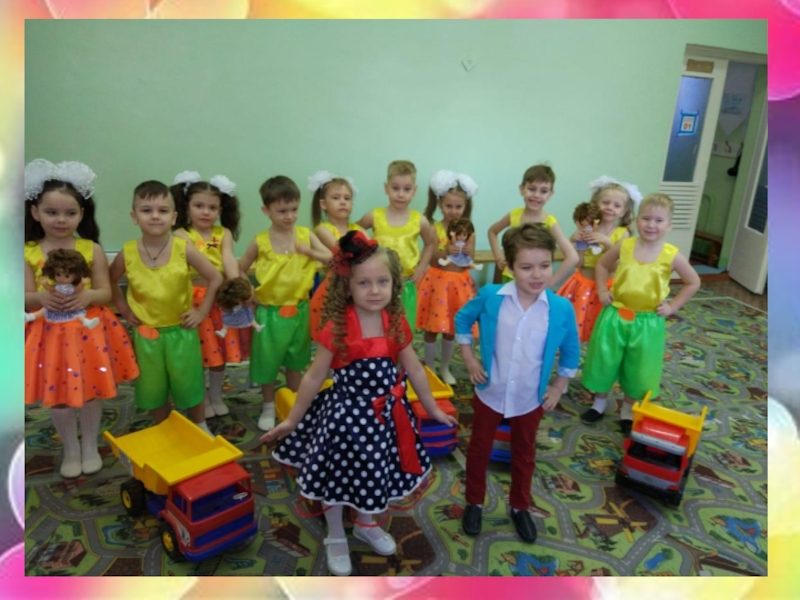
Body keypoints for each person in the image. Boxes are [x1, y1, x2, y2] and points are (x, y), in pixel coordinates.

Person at [263, 231, 457, 576]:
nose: (374, 290)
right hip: (345, 421)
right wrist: (292, 420)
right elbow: (312, 377)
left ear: (394, 284)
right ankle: (336, 533)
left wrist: (433, 408)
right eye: (364, 283)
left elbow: (414, 369)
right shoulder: (338, 327)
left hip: (384, 420)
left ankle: (366, 523)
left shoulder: (395, 323)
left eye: (382, 281)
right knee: (337, 477)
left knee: (373, 471)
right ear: (347, 286)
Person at [456, 223, 579, 543]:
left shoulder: (560, 308)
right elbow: (462, 319)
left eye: (544, 265)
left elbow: (571, 351)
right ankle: (474, 502)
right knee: (479, 450)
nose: (537, 275)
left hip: (529, 398)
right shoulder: (491, 297)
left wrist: (558, 387)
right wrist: (469, 359)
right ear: (509, 267)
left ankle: (520, 506)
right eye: (526, 267)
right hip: (490, 392)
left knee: (524, 455)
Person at [24, 159, 139, 478]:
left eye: (70, 213)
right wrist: (39, 298)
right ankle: (71, 450)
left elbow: (104, 291)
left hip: (88, 334)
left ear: (81, 214)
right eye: (52, 212)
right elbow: (24, 296)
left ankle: (89, 445)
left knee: (90, 389)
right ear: (35, 212)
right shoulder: (28, 251)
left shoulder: (92, 249)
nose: (61, 219)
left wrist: (88, 296)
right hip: (49, 336)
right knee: (58, 394)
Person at [580, 193, 701, 433]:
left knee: (639, 367)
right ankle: (599, 404)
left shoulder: (671, 254)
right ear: (637, 220)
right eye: (646, 218)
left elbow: (693, 282)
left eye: (658, 220)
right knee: (605, 359)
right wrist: (602, 289)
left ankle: (628, 409)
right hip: (615, 316)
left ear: (669, 225)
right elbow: (602, 264)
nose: (651, 225)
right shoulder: (625, 246)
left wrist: (672, 306)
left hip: (647, 322)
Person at [110, 180, 222, 436]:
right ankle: (162, 427)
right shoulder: (127, 252)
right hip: (147, 334)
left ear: (173, 217)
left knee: (189, 380)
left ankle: (200, 423)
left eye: (162, 210)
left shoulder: (183, 248)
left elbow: (215, 277)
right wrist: (124, 309)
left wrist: (201, 312)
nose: (155, 216)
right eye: (146, 210)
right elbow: (111, 280)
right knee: (153, 385)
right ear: (134, 217)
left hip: (181, 331)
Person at [239, 175, 332, 431]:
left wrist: (311, 252)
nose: (289, 216)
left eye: (294, 209)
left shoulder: (305, 235)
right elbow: (240, 268)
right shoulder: (260, 241)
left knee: (296, 361)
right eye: (282, 211)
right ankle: (269, 405)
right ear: (266, 210)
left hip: (299, 312)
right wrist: (248, 290)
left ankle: (296, 401)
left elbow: (330, 257)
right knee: (267, 362)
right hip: (269, 314)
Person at [171, 171, 244, 418]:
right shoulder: (181, 235)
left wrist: (236, 287)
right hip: (194, 299)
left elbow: (228, 260)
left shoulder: (223, 234)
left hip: (220, 299)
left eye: (212, 208)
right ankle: (200, 396)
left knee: (218, 350)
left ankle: (215, 395)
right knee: (200, 351)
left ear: (220, 210)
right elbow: (196, 264)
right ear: (186, 206)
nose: (206, 212)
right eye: (199, 206)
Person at [558, 176, 638, 345]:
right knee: (575, 326)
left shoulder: (622, 234)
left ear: (624, 211)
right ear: (596, 204)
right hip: (582, 284)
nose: (610, 208)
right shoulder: (586, 228)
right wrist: (575, 242)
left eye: (617, 205)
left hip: (607, 287)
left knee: (602, 329)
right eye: (606, 202)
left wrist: (608, 244)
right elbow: (578, 263)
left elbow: (617, 266)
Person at [416, 170, 479, 385]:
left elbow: (471, 258)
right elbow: (433, 259)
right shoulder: (434, 228)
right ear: (440, 204)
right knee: (432, 328)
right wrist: (446, 252)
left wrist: (467, 252)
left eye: (458, 207)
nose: (453, 211)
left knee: (452, 329)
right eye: (448, 206)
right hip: (438, 284)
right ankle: (430, 367)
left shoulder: (469, 231)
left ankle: (444, 367)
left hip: (459, 285)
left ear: (465, 206)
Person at [357, 160, 436, 326]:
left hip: (406, 284)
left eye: (407, 189)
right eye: (395, 188)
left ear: (414, 191)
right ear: (386, 188)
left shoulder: (419, 220)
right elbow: (354, 230)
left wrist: (421, 267)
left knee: (403, 326)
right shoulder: (374, 216)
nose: (401, 194)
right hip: (378, 285)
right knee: (378, 324)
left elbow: (430, 244)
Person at [487, 164, 578, 287]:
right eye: (532, 189)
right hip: (510, 277)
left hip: (534, 282)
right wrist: (498, 257)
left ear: (550, 194)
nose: (536, 195)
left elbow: (573, 257)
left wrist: (551, 281)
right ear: (521, 189)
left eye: (543, 191)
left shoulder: (550, 222)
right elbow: (492, 231)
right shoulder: (514, 214)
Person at [307, 170, 364, 340]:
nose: (343, 202)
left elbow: (370, 253)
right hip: (335, 288)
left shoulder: (358, 229)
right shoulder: (322, 229)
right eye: (336, 198)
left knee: (354, 334)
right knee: (333, 334)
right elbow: (343, 252)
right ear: (323, 204)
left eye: (347, 198)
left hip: (357, 287)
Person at [25, 248, 99, 329]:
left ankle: (86, 321)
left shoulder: (71, 288)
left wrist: (82, 283)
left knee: (79, 313)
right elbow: (51, 289)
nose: (61, 278)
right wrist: (45, 284)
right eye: (58, 274)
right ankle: (31, 316)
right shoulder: (57, 287)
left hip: (71, 307)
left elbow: (77, 290)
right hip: (54, 307)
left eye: (67, 276)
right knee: (44, 310)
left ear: (76, 276)